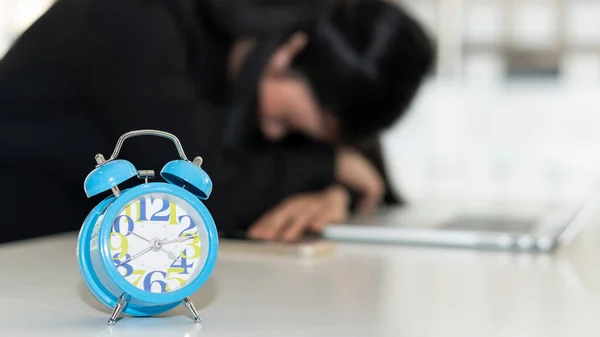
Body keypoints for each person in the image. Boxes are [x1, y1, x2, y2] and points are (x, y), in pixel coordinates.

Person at [0, 0, 434, 244]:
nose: (273, 134)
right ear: (287, 53)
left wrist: (328, 193)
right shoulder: (134, 19)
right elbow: (200, 194)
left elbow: (366, 178)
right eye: (287, 120)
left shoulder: (249, 57)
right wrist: (329, 167)